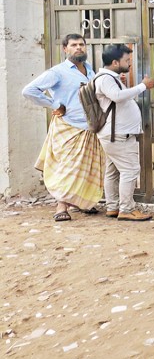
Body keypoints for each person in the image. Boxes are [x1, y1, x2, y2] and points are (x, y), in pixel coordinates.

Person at [23, 34, 105, 222]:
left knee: (86, 168)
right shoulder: (58, 72)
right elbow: (29, 90)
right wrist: (54, 105)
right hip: (68, 126)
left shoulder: (91, 71)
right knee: (67, 168)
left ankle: (82, 202)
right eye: (74, 45)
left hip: (90, 127)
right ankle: (61, 207)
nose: (79, 48)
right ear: (65, 49)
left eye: (82, 45)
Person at [93, 44, 154, 221]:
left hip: (114, 133)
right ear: (114, 62)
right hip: (117, 134)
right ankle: (126, 209)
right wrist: (143, 86)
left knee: (112, 172)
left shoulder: (109, 77)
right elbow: (117, 96)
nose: (129, 64)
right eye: (127, 60)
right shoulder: (105, 78)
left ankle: (113, 207)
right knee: (130, 170)